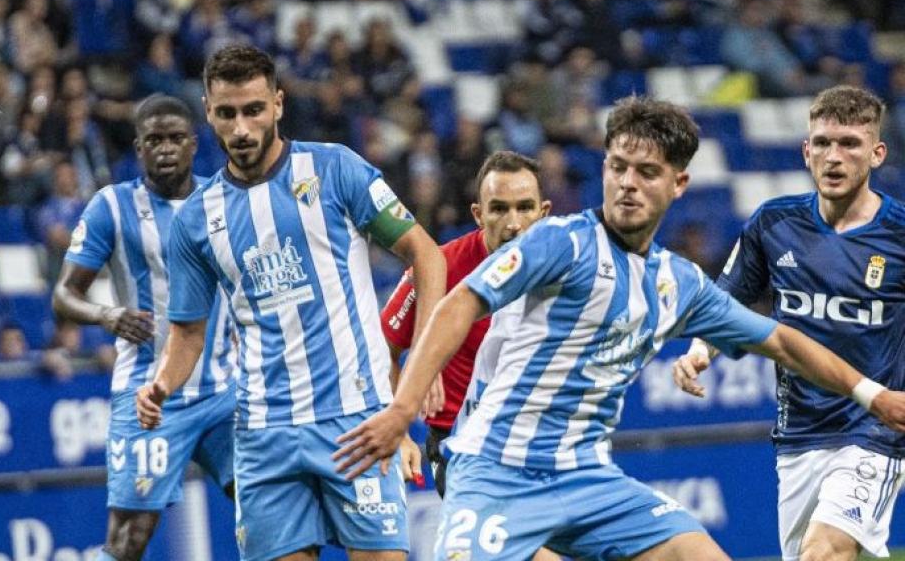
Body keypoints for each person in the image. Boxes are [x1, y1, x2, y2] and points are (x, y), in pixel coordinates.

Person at [333, 96, 905, 561]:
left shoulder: (677, 282)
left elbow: (778, 339)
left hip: (587, 477)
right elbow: (459, 303)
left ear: (678, 185)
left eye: (646, 172)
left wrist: (872, 395)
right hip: (496, 473)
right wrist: (404, 409)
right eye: (617, 167)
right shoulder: (557, 241)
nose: (627, 183)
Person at [135, 45, 446, 561]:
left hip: (357, 423)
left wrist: (422, 359)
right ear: (209, 112)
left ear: (278, 104)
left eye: (253, 110)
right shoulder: (196, 220)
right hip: (263, 438)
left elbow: (426, 256)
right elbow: (189, 332)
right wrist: (162, 385)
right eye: (227, 113)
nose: (241, 128)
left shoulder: (335, 169)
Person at [673, 85, 905, 561]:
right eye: (821, 143)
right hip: (798, 432)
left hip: (874, 429)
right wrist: (699, 352)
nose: (833, 157)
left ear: (877, 154)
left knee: (824, 552)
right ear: (805, 151)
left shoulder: (900, 233)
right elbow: (725, 301)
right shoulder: (773, 223)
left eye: (849, 144)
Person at [52, 94, 237, 561]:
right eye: (154, 140)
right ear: (139, 148)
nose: (166, 148)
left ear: (195, 144)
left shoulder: (225, 201)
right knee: (129, 539)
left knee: (269, 513)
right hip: (147, 396)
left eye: (176, 138)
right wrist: (107, 315)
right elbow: (64, 295)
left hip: (225, 393)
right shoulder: (111, 207)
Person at [380, 150, 551, 493]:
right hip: (460, 444)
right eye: (499, 209)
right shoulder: (438, 267)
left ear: (544, 213)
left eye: (525, 208)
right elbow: (381, 349)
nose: (513, 223)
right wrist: (396, 432)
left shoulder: (564, 268)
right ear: (478, 214)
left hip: (542, 441)